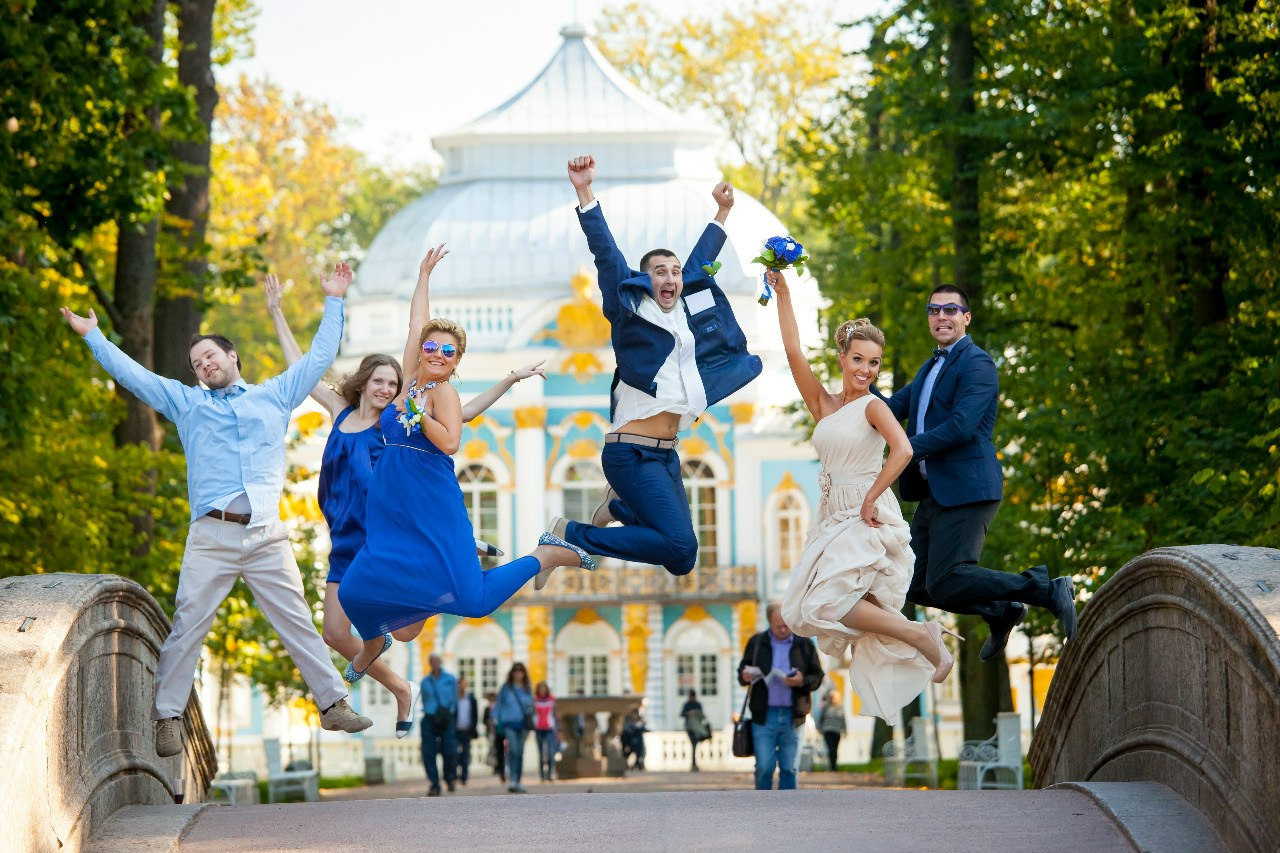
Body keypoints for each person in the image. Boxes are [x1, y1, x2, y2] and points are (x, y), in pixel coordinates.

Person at [60, 267, 372, 758]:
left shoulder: (275, 395)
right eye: (195, 362)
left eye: (210, 355)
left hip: (266, 536)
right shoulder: (188, 405)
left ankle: (333, 704)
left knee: (297, 621)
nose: (203, 364)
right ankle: (167, 716)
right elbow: (135, 377)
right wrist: (94, 336)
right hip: (211, 537)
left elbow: (318, 359)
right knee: (188, 625)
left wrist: (334, 300)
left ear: (232, 357)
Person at [263, 248, 545, 736]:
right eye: (379, 380)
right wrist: (276, 315)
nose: (387, 387)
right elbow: (305, 373)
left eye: (394, 381)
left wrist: (506, 378)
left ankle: (456, 559)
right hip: (346, 534)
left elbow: (428, 355)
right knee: (333, 631)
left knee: (407, 628)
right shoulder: (345, 414)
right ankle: (397, 683)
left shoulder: (399, 417)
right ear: (363, 383)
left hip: (387, 532)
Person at [335, 249, 596, 677]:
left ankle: (545, 555)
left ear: (456, 362)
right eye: (432, 347)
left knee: (473, 601)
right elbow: (417, 324)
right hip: (393, 508)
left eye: (449, 352)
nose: (437, 353)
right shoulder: (409, 385)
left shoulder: (441, 394)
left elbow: (453, 440)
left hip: (431, 504)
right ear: (421, 351)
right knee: (359, 593)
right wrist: (422, 275)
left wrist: (421, 419)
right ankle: (374, 641)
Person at [538, 154, 761, 587]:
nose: (671, 278)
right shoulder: (630, 311)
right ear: (645, 280)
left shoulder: (686, 313)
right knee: (681, 546)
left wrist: (723, 211)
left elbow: (701, 259)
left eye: (676, 272)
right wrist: (585, 191)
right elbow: (605, 251)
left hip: (665, 454)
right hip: (631, 453)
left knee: (680, 561)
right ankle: (568, 535)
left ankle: (618, 510)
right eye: (661, 272)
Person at [768, 271, 960, 721]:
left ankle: (920, 637)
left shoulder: (874, 406)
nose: (866, 370)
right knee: (804, 609)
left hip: (864, 511)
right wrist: (785, 295)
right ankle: (924, 635)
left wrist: (872, 498)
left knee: (826, 602)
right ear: (842, 358)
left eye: (874, 363)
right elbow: (794, 351)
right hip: (830, 513)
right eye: (859, 359)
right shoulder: (824, 405)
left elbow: (905, 449)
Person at [881, 285, 1077, 662]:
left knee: (947, 577)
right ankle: (1001, 610)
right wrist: (857, 379)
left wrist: (908, 449)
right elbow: (890, 409)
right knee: (917, 585)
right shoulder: (929, 367)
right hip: (932, 491)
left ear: (965, 317)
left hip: (968, 488)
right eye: (934, 310)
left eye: (950, 310)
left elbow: (961, 427)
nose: (941, 317)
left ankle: (1045, 589)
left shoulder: (977, 363)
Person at [737, 603, 824, 791]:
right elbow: (742, 673)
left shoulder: (804, 643)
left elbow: (817, 676)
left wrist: (802, 680)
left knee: (789, 768)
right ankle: (762, 807)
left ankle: (788, 812)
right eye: (778, 626)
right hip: (763, 716)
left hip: (794, 716)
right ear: (769, 622)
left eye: (787, 624)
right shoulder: (757, 642)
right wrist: (745, 675)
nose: (784, 629)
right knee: (764, 767)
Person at [420, 654, 458, 796]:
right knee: (428, 752)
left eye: (437, 661)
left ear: (440, 662)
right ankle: (434, 783)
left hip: (446, 718)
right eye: (432, 661)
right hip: (429, 717)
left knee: (450, 750)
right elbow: (424, 699)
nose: (435, 663)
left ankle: (449, 777)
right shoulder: (425, 682)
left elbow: (454, 699)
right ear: (430, 663)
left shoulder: (450, 679)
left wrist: (451, 714)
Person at [495, 663, 534, 793]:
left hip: (523, 724)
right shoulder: (506, 688)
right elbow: (499, 704)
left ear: (524, 673)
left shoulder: (527, 688)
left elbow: (531, 706)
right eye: (516, 671)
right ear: (512, 673)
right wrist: (494, 718)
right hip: (509, 724)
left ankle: (518, 780)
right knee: (513, 750)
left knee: (520, 752)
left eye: (520, 671)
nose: (518, 674)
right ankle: (512, 779)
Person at [532, 681, 559, 782]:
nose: (542, 690)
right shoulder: (534, 700)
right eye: (540, 688)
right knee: (541, 753)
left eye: (544, 688)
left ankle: (550, 773)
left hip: (549, 728)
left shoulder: (551, 699)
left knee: (551, 752)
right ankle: (542, 775)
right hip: (538, 728)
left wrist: (558, 729)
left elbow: (555, 714)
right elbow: (533, 713)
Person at [455, 676, 479, 785]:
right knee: (453, 753)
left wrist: (473, 727)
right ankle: (454, 774)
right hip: (455, 731)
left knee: (465, 754)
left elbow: (475, 715)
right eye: (460, 684)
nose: (462, 686)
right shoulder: (453, 699)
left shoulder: (471, 699)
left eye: (464, 684)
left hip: (467, 731)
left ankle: (464, 776)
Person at [679, 689, 710, 771]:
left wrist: (697, 713)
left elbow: (703, 716)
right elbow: (681, 714)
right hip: (690, 728)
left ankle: (694, 763)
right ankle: (693, 763)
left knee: (695, 744)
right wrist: (688, 713)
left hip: (697, 728)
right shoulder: (686, 705)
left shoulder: (698, 704)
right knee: (693, 744)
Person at [817, 690, 847, 772]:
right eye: (830, 697)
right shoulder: (826, 708)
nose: (832, 699)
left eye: (833, 697)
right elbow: (821, 719)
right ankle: (832, 767)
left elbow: (843, 720)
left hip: (837, 731)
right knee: (831, 748)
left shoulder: (840, 708)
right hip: (827, 730)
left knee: (835, 749)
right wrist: (819, 728)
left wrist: (845, 730)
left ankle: (834, 766)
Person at [482, 691, 507, 784]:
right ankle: (498, 768)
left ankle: (502, 769)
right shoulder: (487, 709)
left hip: (502, 731)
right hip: (493, 733)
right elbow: (484, 720)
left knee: (503, 751)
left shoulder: (501, 707)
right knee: (496, 751)